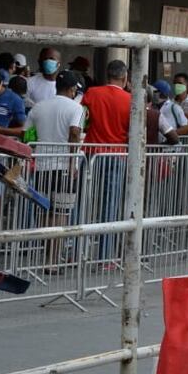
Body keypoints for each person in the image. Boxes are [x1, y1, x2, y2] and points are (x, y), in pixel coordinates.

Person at [26, 71, 84, 265]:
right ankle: (52, 259)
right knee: (61, 213)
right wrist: (72, 160)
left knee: (44, 211)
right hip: (64, 167)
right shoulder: (75, 108)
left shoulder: (38, 107)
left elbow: (27, 135)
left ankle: (48, 254)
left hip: (42, 166)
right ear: (72, 89)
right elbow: (75, 133)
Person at [81, 59, 132, 260]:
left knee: (83, 203)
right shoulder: (130, 100)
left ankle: (77, 251)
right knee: (109, 206)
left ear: (107, 75)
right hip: (117, 155)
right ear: (125, 77)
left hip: (91, 153)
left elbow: (82, 121)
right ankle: (105, 257)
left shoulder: (92, 94)